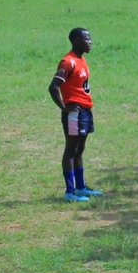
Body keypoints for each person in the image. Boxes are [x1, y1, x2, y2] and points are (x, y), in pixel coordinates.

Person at [51, 27, 96, 201]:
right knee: (71, 149)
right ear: (76, 40)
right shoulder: (67, 62)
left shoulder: (81, 59)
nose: (90, 42)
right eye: (87, 39)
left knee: (80, 150)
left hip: (85, 111)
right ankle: (70, 192)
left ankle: (81, 187)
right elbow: (53, 87)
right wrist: (64, 107)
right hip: (74, 112)